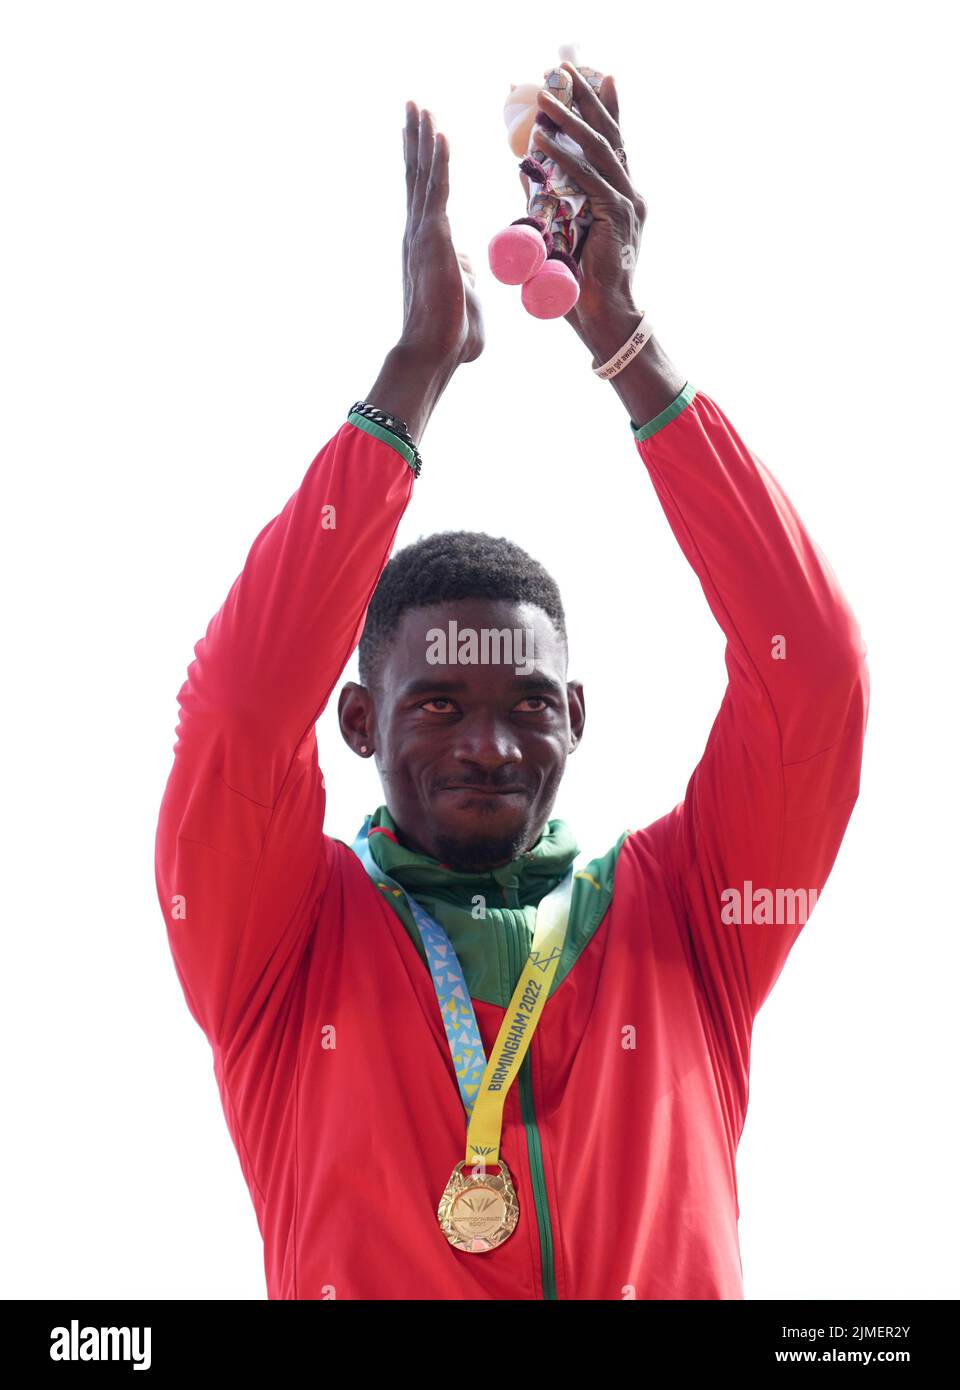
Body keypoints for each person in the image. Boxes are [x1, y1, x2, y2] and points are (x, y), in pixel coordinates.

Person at [154, 64, 869, 1300]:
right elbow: (235, 713)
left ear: (577, 719)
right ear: (360, 718)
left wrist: (627, 342)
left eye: (528, 704)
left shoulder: (692, 917)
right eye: (437, 704)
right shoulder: (276, 937)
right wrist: (413, 377)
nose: (489, 743)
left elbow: (814, 680)